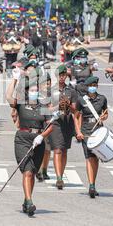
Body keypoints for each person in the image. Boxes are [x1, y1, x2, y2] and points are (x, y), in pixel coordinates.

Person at [6, 68, 54, 216]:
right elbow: (8, 97)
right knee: (27, 171)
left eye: (35, 89)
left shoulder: (44, 106)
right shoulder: (20, 103)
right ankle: (29, 201)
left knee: (32, 172)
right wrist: (14, 79)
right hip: (22, 139)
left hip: (38, 141)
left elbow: (51, 125)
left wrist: (42, 136)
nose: (33, 91)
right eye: (30, 89)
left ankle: (27, 199)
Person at [74, 76, 108, 198]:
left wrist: (103, 117)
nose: (92, 87)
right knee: (89, 158)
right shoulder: (81, 100)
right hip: (86, 131)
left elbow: (106, 113)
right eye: (90, 86)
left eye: (94, 85)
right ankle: (91, 185)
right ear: (87, 87)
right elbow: (76, 116)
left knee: (95, 158)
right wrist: (78, 132)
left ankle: (93, 182)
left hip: (98, 131)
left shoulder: (102, 99)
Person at [49, 64, 77, 190]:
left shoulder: (71, 91)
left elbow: (75, 110)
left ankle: (62, 171)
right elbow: (46, 109)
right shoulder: (50, 90)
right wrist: (59, 106)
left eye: (64, 75)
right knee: (57, 150)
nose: (62, 77)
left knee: (64, 150)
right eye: (60, 75)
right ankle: (59, 177)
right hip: (55, 123)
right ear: (56, 76)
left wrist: (68, 105)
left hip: (67, 122)